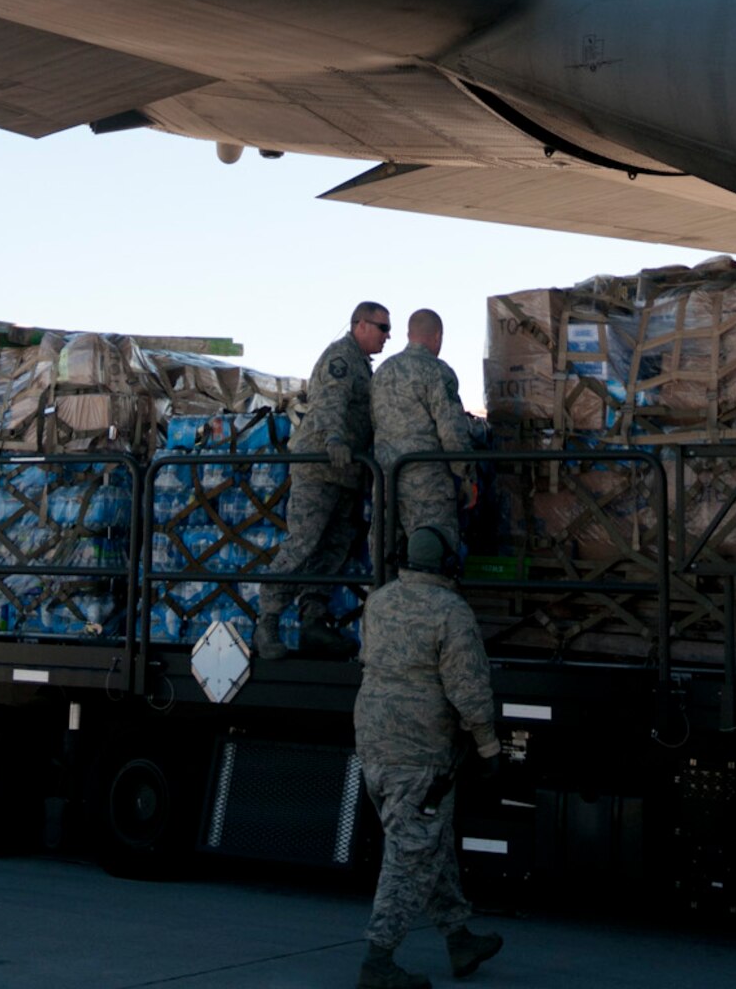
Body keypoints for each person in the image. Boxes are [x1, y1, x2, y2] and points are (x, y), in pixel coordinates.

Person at [353, 526, 504, 989]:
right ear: (448, 564)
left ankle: (458, 938)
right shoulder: (450, 611)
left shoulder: (377, 602)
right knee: (410, 852)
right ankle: (378, 960)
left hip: (374, 741)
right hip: (420, 751)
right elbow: (468, 687)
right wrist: (488, 743)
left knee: (426, 844)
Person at [256, 300, 390, 661]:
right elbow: (331, 401)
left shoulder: (364, 365)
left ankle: (313, 621)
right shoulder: (341, 358)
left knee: (333, 549)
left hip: (346, 472)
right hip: (320, 467)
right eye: (382, 328)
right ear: (360, 325)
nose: (386, 337)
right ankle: (267, 620)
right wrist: (333, 440)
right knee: (303, 543)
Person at [370, 309, 474, 555]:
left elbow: (375, 423)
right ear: (437, 336)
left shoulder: (382, 372)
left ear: (408, 335)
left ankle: (380, 595)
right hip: (427, 486)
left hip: (386, 481)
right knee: (433, 557)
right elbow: (452, 432)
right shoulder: (437, 371)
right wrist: (467, 475)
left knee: (385, 561)